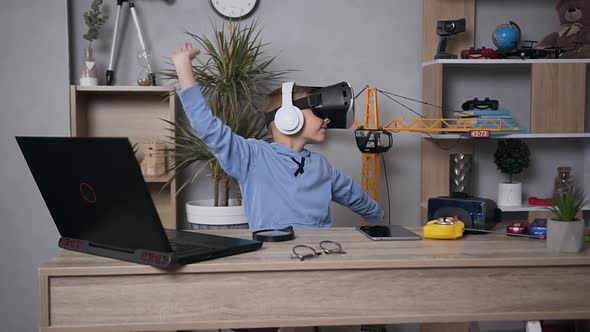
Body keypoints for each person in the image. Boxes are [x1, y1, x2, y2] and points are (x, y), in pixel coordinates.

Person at [170, 43, 384, 230]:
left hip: (322, 256)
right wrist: (184, 67)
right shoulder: (252, 157)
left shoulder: (322, 166)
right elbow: (208, 127)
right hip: (273, 259)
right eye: (319, 112)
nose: (327, 119)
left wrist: (379, 224)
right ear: (288, 117)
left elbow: (355, 197)